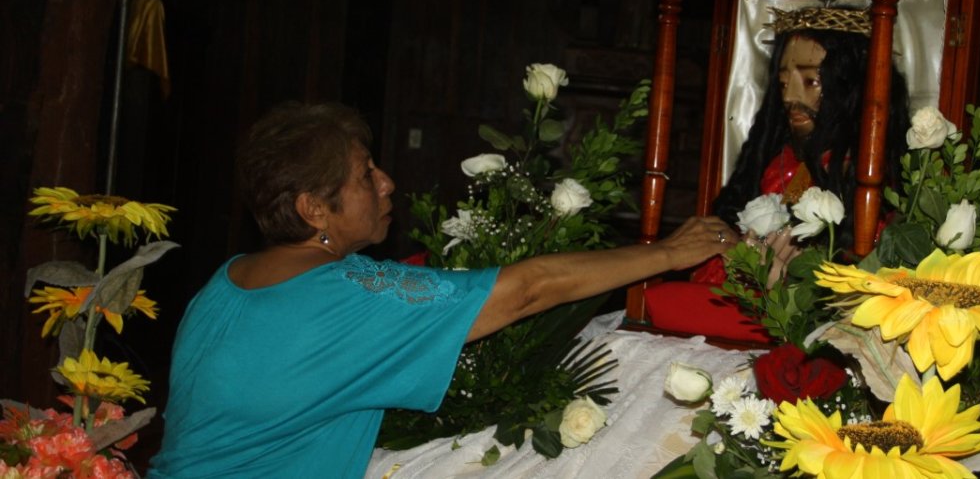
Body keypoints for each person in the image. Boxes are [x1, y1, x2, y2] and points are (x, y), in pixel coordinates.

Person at [147, 102, 732, 478]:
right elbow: (527, 291)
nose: (386, 183)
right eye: (364, 176)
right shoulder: (348, 294)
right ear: (313, 209)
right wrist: (671, 254)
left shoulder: (223, 282)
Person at [643, 4, 907, 341]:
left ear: (851, 86)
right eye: (783, 83)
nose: (791, 97)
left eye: (811, 81)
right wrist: (740, 257)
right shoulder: (779, 160)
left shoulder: (871, 178)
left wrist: (795, 278)